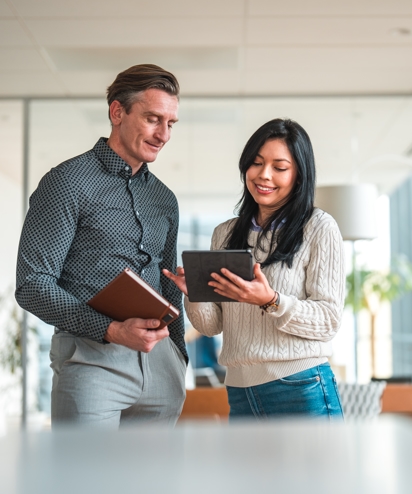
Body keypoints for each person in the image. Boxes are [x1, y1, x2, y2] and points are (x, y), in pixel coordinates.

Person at [15, 64, 187, 428]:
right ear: (117, 111)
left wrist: (178, 355)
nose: (163, 134)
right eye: (153, 118)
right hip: (91, 362)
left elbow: (169, 281)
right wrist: (111, 330)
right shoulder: (66, 182)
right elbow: (32, 284)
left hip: (161, 369)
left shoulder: (164, 199)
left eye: (170, 123)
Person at [164, 118, 344, 419]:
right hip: (240, 390)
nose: (264, 175)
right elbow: (211, 325)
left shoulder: (318, 227)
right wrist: (194, 292)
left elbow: (329, 321)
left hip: (300, 386)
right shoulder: (224, 233)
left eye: (280, 167)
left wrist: (270, 300)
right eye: (256, 163)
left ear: (299, 174)